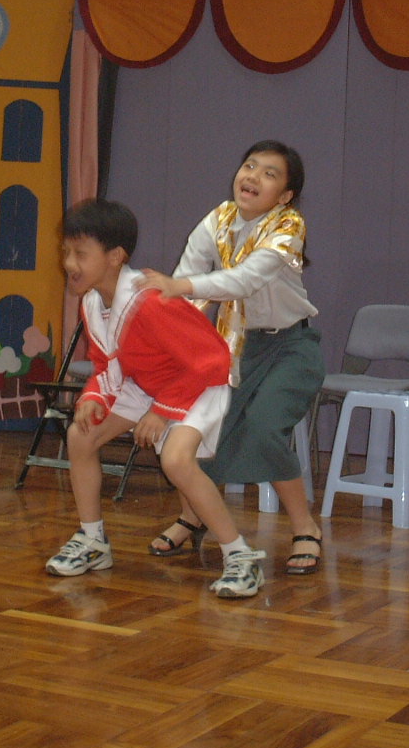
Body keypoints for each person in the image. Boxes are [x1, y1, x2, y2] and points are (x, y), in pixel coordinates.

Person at [44, 198, 268, 599]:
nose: (69, 263)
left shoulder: (150, 301)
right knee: (81, 435)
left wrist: (162, 413)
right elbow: (106, 363)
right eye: (66, 252)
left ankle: (241, 556)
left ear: (115, 256)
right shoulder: (92, 302)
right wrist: (93, 396)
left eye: (80, 253)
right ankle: (93, 541)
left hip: (197, 384)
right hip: (147, 385)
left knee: (176, 460)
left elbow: (212, 360)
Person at [137, 139, 325, 575]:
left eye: (269, 173)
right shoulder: (217, 219)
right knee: (196, 430)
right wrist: (166, 321)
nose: (252, 177)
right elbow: (186, 280)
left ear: (285, 195)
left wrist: (180, 287)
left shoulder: (289, 225)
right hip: (234, 346)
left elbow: (242, 281)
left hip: (290, 348)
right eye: (249, 166)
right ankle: (193, 516)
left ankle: (305, 527)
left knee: (262, 428)